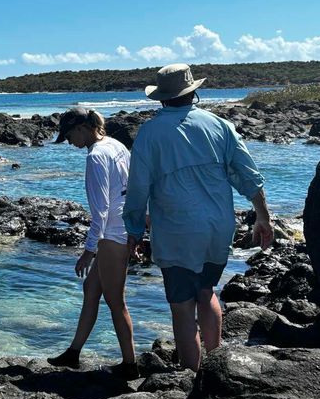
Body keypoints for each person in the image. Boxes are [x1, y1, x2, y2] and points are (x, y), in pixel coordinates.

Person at [123, 63, 273, 371]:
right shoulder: (220, 125)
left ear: (162, 99)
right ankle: (217, 367)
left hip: (177, 230)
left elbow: (138, 188)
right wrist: (263, 218)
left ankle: (193, 379)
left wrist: (134, 230)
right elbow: (249, 176)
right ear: (194, 93)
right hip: (218, 227)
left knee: (181, 306)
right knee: (207, 292)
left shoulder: (150, 134)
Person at [47, 107, 138, 378]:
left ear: (81, 128)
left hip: (112, 234)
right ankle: (73, 353)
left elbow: (100, 210)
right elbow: (132, 187)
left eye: (69, 136)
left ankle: (130, 366)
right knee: (91, 288)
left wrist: (88, 251)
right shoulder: (115, 145)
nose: (70, 143)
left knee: (115, 301)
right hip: (122, 228)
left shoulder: (96, 157)